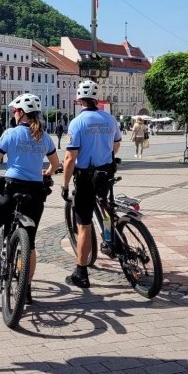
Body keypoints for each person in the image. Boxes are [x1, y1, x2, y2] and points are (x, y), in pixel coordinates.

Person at [0, 94, 59, 304]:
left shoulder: (10, 133)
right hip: (35, 195)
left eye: (15, 111)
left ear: (20, 113)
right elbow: (55, 164)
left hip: (10, 191)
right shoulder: (45, 137)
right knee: (29, 244)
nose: (13, 114)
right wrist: (46, 174)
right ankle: (26, 288)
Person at [62, 80, 121, 289]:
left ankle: (81, 272)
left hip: (86, 177)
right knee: (105, 207)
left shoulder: (77, 122)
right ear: (96, 98)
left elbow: (70, 157)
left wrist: (65, 185)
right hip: (105, 174)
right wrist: (107, 155)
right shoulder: (110, 119)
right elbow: (116, 143)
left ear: (79, 100)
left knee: (84, 224)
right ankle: (109, 240)